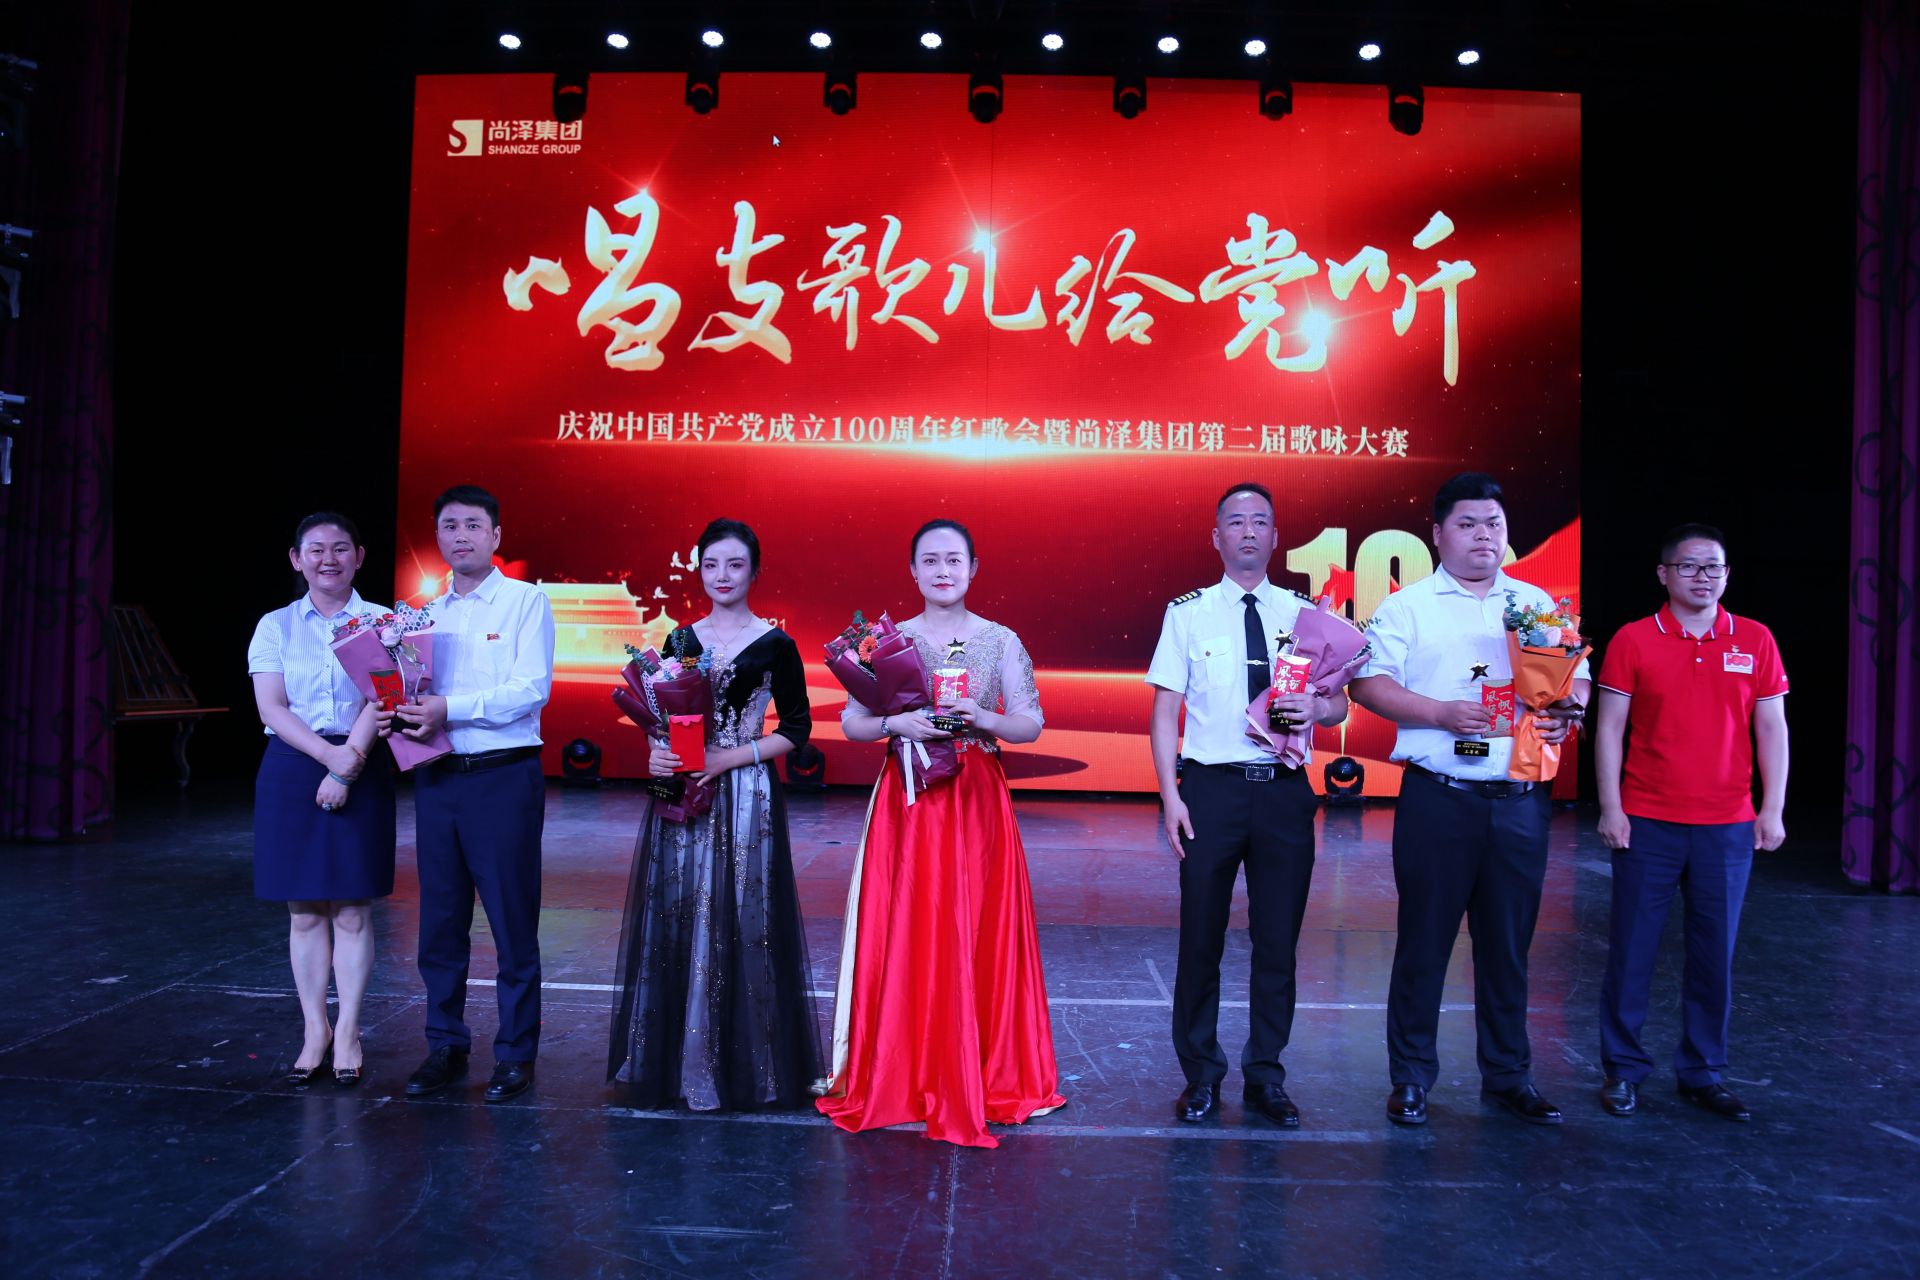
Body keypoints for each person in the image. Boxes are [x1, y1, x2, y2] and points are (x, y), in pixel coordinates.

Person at [1350, 472, 1589, 1127]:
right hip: (1441, 799)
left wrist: (1567, 712)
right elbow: (1367, 684)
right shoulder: (1408, 607)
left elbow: (1576, 684)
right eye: (1468, 524)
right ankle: (1411, 1079)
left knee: (1508, 945)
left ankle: (1509, 1077)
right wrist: (1439, 713)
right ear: (1438, 534)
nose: (1484, 535)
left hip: (1520, 800)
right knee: (1424, 942)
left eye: (1494, 524)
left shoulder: (1538, 604)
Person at [817, 519, 1064, 1148]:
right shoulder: (887, 643)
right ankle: (906, 1071)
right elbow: (853, 724)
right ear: (913, 571)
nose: (943, 571)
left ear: (974, 568)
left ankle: (982, 1071)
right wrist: (899, 724)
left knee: (977, 927)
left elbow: (1030, 724)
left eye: (954, 560)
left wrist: (982, 717)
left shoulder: (1001, 640)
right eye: (930, 560)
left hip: (976, 800)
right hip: (909, 800)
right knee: (910, 925)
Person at [1145, 482, 1348, 1126]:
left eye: (1261, 521)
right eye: (1236, 522)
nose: (1249, 531)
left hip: (1284, 790)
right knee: (1200, 937)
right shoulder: (1188, 613)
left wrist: (1318, 707)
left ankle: (1266, 1075)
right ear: (1217, 537)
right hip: (1212, 790)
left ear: (1276, 536)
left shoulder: (1305, 615)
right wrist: (1171, 796)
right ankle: (1201, 1075)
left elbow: (1340, 703)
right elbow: (1165, 712)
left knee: (1277, 941)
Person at [607, 518, 821, 1110]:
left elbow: (797, 729)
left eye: (734, 564)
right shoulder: (681, 639)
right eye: (710, 565)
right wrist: (656, 751)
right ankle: (680, 1059)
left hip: (745, 791)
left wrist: (732, 756)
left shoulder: (775, 644)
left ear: (755, 571)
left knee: (743, 913)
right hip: (684, 790)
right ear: (698, 570)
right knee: (679, 912)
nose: (722, 576)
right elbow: (664, 720)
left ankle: (744, 1064)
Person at [1592, 523, 1788, 1122]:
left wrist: (1772, 808)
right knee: (1632, 950)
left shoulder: (1754, 638)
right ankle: (1623, 1070)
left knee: (1713, 954)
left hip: (1728, 825)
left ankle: (1703, 1072)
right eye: (1689, 566)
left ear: (1727, 575)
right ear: (1664, 574)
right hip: (1647, 821)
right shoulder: (1634, 638)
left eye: (1714, 567)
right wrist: (1611, 806)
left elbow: (1772, 728)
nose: (1703, 577)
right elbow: (1610, 729)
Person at [396, 485, 556, 1104]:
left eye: (472, 525)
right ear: (437, 537)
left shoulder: (524, 601)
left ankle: (515, 1053)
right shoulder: (420, 617)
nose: (460, 535)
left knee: (512, 921)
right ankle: (445, 1044)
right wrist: (399, 712)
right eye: (449, 526)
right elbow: (407, 692)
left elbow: (531, 689)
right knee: (439, 922)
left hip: (502, 778)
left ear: (495, 536)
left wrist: (449, 708)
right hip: (437, 777)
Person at [247, 511, 395, 1088]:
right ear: (296, 559)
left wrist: (348, 762)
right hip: (292, 765)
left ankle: (350, 1031)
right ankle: (316, 1030)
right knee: (305, 910)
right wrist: (328, 757)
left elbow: (384, 699)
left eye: (340, 548)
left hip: (361, 757)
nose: (328, 559)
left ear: (359, 556)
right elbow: (271, 706)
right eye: (315, 549)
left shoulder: (382, 621)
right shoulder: (275, 625)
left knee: (353, 909)